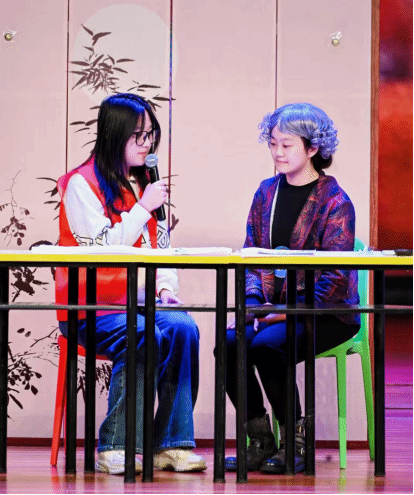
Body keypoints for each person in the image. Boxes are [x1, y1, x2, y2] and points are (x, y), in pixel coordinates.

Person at [55, 93, 206, 475]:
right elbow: (100, 249)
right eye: (138, 135)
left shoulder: (142, 185)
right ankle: (115, 445)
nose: (146, 143)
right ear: (114, 134)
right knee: (142, 333)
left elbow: (161, 247)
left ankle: (170, 444)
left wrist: (166, 290)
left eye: (150, 134)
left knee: (183, 328)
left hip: (138, 302)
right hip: (91, 307)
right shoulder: (81, 184)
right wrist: (142, 208)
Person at [225, 102, 360, 474]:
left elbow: (335, 281)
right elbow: (252, 256)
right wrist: (253, 304)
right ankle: (260, 440)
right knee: (230, 343)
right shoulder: (266, 193)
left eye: (286, 145)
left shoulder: (335, 202)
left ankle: (297, 442)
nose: (277, 152)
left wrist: (281, 314)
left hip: (328, 313)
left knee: (269, 346)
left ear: (313, 147)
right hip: (273, 309)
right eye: (273, 144)